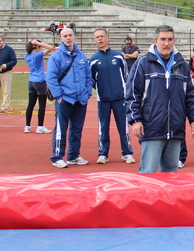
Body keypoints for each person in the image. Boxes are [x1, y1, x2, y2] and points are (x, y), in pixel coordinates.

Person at [126, 25, 194, 173]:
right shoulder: (143, 64)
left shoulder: (182, 66)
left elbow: (190, 96)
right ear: (155, 40)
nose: (166, 43)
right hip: (152, 128)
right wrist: (136, 120)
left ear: (174, 41)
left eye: (170, 39)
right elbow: (132, 95)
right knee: (148, 173)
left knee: (171, 174)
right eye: (162, 39)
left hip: (175, 129)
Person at [46, 27, 92, 168]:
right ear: (61, 38)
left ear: (74, 36)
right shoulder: (56, 57)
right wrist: (59, 96)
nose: (68, 38)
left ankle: (73, 156)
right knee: (61, 128)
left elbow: (88, 76)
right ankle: (57, 156)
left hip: (80, 99)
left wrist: (87, 92)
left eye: (70, 35)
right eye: (65, 35)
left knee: (77, 129)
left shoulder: (81, 56)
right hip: (65, 99)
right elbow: (51, 78)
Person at [90, 28, 135, 165]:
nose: (100, 39)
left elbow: (126, 76)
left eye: (102, 36)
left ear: (107, 38)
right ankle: (103, 154)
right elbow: (91, 80)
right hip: (103, 99)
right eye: (97, 37)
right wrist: (100, 90)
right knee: (103, 127)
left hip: (119, 98)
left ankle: (127, 153)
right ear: (94, 40)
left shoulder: (118, 56)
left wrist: (123, 91)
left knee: (123, 126)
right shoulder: (93, 60)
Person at [23, 39, 54, 134]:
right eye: (39, 47)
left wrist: (36, 45)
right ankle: (40, 126)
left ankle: (27, 126)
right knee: (42, 105)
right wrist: (38, 43)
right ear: (36, 47)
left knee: (31, 104)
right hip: (40, 81)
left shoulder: (26, 56)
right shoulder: (37, 55)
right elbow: (50, 48)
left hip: (31, 81)